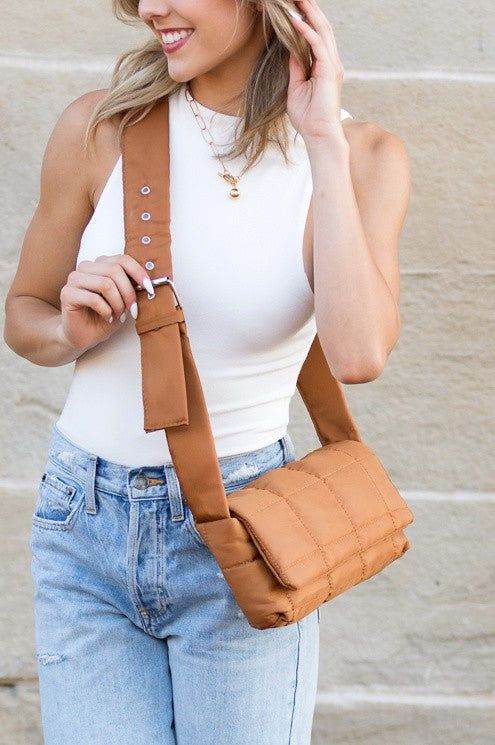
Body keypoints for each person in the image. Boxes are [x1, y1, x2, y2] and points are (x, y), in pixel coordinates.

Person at [3, 1, 410, 743]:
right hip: (83, 525)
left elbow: (358, 355)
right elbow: (23, 316)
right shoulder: (99, 128)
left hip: (243, 534)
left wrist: (321, 140)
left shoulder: (363, 155)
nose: (150, 8)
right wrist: (68, 328)